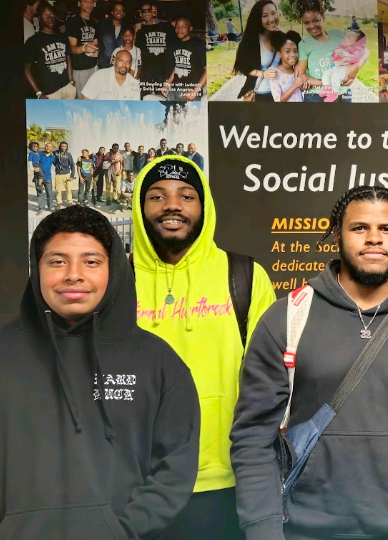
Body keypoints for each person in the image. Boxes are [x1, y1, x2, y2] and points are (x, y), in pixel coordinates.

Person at [0, 206, 200, 540]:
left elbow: (175, 468)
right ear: (36, 269)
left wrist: (121, 533)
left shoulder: (158, 362)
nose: (73, 275)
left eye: (91, 262)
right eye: (57, 261)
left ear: (114, 269)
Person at [231, 186, 388, 540]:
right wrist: (263, 530)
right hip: (305, 531)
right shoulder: (287, 319)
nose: (374, 238)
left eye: (386, 228)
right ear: (337, 235)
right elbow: (252, 438)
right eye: (359, 227)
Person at [131, 156, 276, 540]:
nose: (172, 206)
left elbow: (272, 385)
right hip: (135, 483)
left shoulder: (244, 276)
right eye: (157, 196)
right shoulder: (115, 282)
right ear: (140, 208)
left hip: (225, 482)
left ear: (204, 205)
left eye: (186, 196)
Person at [297, 0, 371, 102]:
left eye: (316, 20)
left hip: (343, 93)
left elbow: (365, 51)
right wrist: (327, 83)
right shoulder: (304, 45)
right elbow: (300, 75)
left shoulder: (338, 35)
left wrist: (356, 67)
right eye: (306, 23)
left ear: (323, 18)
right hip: (317, 96)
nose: (312, 26)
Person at [25, 3, 76, 100]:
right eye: (45, 15)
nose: (50, 18)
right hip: (50, 93)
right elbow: (26, 69)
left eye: (52, 14)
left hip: (67, 88)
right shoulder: (33, 41)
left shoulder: (62, 37)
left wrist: (71, 81)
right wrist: (38, 93)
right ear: (39, 18)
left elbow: (68, 58)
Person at [234, 0, 282, 102]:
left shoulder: (281, 37)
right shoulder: (251, 40)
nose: (271, 19)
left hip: (281, 92)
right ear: (258, 18)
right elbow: (243, 67)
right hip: (261, 93)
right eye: (265, 16)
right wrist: (263, 74)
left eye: (273, 13)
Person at [162, 17, 206, 101]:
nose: (179, 29)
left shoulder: (199, 45)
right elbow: (178, 66)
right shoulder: (176, 45)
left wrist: (195, 91)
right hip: (174, 90)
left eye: (184, 27)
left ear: (190, 28)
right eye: (177, 26)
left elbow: (207, 70)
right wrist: (167, 84)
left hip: (189, 91)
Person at [136, 2, 174, 97]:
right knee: (144, 92)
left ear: (153, 12)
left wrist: (175, 23)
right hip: (147, 66)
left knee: (161, 93)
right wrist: (135, 30)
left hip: (162, 66)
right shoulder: (139, 27)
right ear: (141, 14)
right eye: (144, 12)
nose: (147, 14)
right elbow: (134, 44)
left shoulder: (165, 25)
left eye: (149, 11)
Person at [67, 0, 100, 96]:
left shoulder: (94, 22)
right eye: (85, 1)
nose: (89, 4)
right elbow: (71, 49)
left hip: (94, 66)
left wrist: (97, 50)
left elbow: (96, 43)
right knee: (83, 99)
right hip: (80, 68)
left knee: (95, 96)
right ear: (79, 3)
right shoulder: (73, 22)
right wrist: (84, 48)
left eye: (91, 2)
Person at [98, 1, 127, 70]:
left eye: (121, 10)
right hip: (104, 66)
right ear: (112, 12)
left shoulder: (126, 29)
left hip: (120, 66)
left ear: (124, 14)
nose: (119, 12)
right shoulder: (103, 26)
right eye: (116, 10)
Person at [53, 141, 76, 207]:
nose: (63, 148)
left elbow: (72, 165)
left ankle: (69, 201)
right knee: (58, 189)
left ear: (67, 147)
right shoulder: (55, 153)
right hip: (58, 174)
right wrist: (57, 166)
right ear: (60, 146)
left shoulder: (68, 154)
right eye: (62, 146)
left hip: (67, 174)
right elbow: (51, 159)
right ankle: (59, 202)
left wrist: (72, 175)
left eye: (65, 146)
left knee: (68, 189)